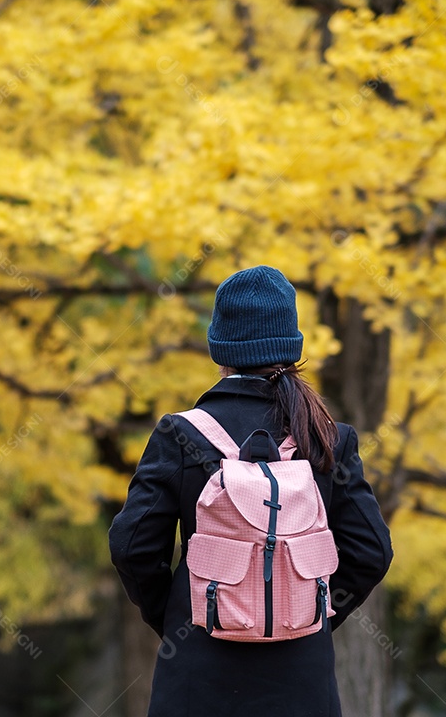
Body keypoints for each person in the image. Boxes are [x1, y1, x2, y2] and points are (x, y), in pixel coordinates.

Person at [109, 265, 393, 717]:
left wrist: (181, 616)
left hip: (198, 683)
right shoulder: (327, 438)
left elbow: (131, 547)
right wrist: (310, 613)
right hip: (303, 689)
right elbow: (372, 551)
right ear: (292, 345)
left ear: (219, 348)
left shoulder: (181, 435)